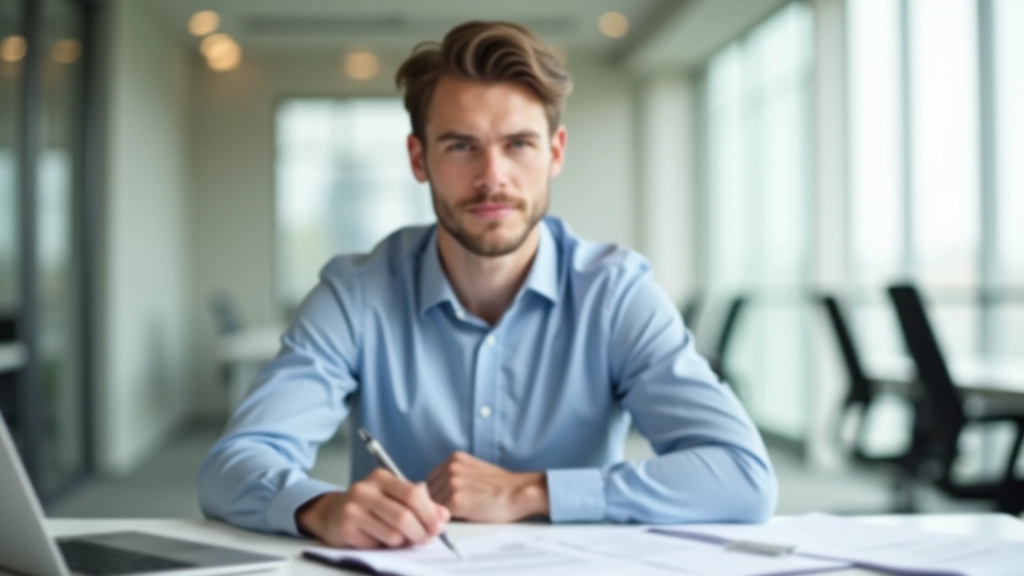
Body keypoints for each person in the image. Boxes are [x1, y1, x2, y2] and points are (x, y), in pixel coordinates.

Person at [198, 20, 777, 549]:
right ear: (419, 158)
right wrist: (320, 508)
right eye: (460, 146)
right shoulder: (357, 293)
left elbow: (742, 475)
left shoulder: (616, 294)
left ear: (555, 153)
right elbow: (232, 466)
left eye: (518, 144)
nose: (492, 176)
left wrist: (531, 491)